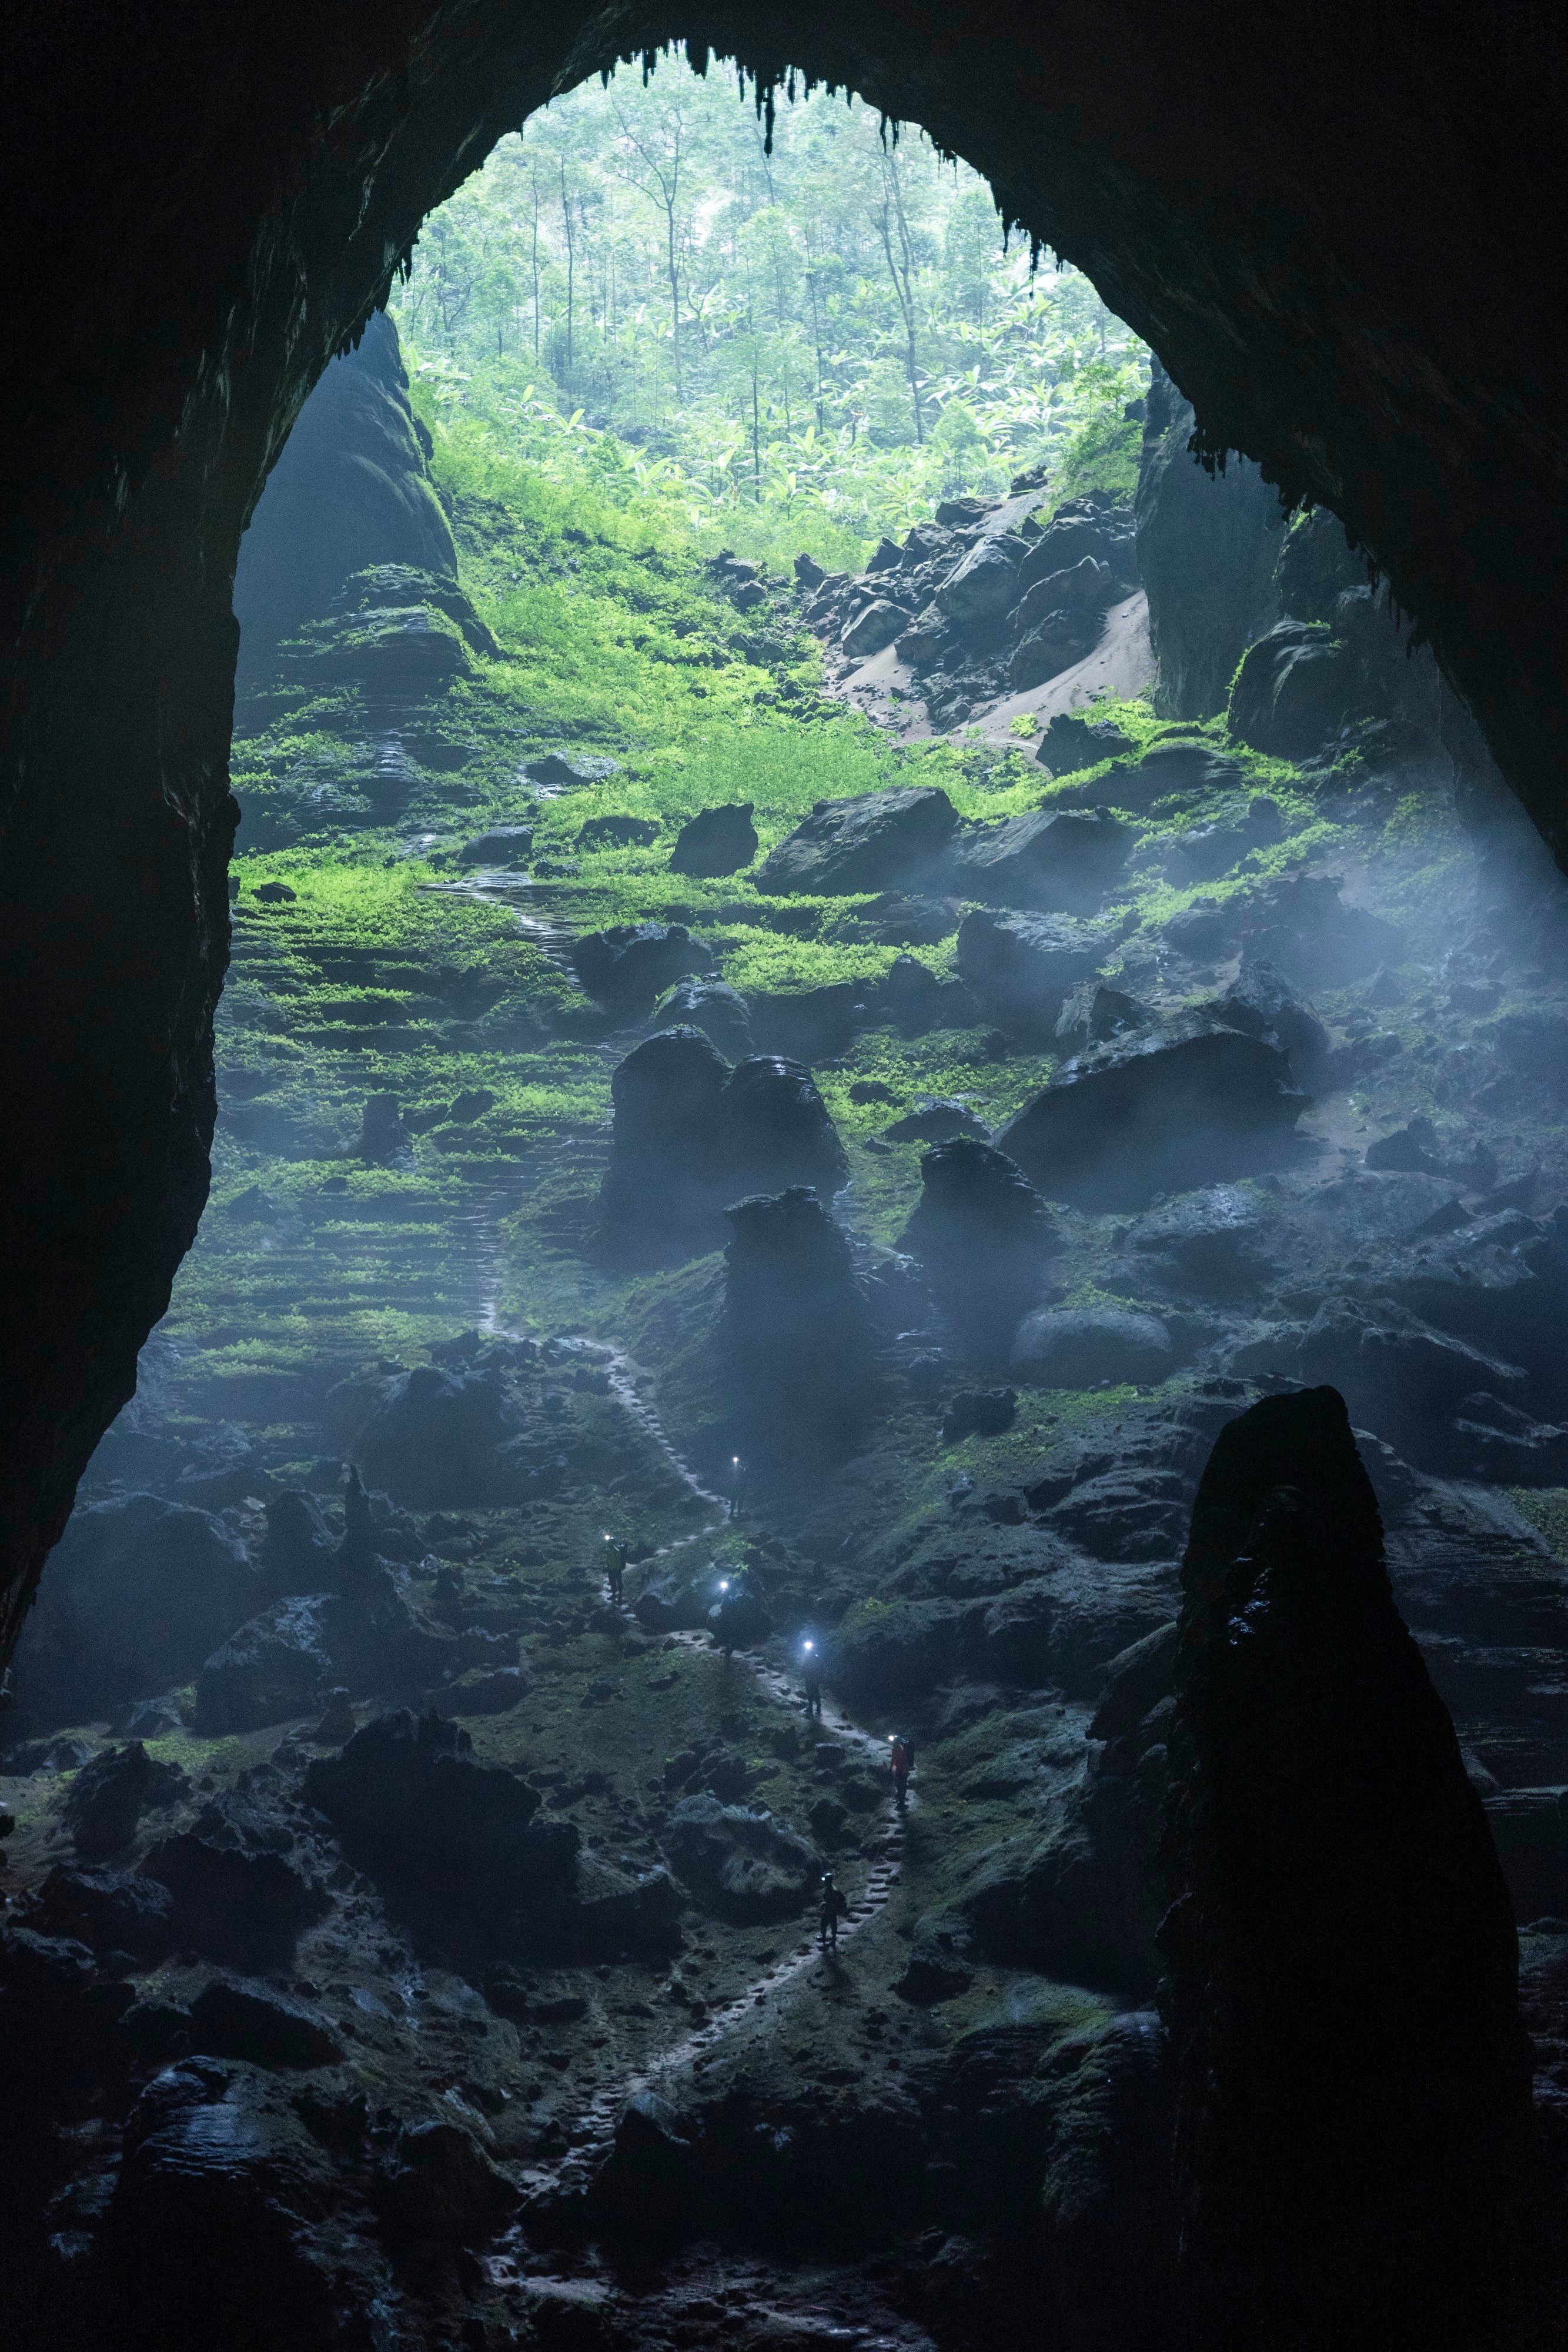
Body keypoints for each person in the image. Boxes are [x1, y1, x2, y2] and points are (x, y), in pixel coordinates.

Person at [818, 1870, 848, 1949]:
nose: (824, 1882)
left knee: (829, 1925)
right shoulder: (829, 1888)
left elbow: (835, 1901)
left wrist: (826, 1904)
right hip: (830, 1910)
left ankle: (829, 1941)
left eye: (825, 1880)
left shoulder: (833, 1890)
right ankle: (829, 1940)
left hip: (831, 1911)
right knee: (827, 1924)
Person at [890, 1733, 915, 1809]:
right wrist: (891, 1768)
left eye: (895, 1742)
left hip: (904, 1770)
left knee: (903, 1786)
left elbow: (903, 1760)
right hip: (899, 1770)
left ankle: (902, 1801)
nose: (893, 1744)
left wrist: (895, 1768)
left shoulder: (902, 1750)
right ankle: (900, 1799)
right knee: (898, 1785)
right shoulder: (895, 1749)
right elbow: (893, 1759)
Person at [801, 1638, 823, 1719]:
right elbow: (804, 1667)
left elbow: (821, 1669)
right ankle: (811, 1707)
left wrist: (820, 1678)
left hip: (814, 1679)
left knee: (815, 1693)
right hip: (809, 1678)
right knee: (810, 1692)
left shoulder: (817, 1658)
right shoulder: (808, 1658)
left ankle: (818, 1709)